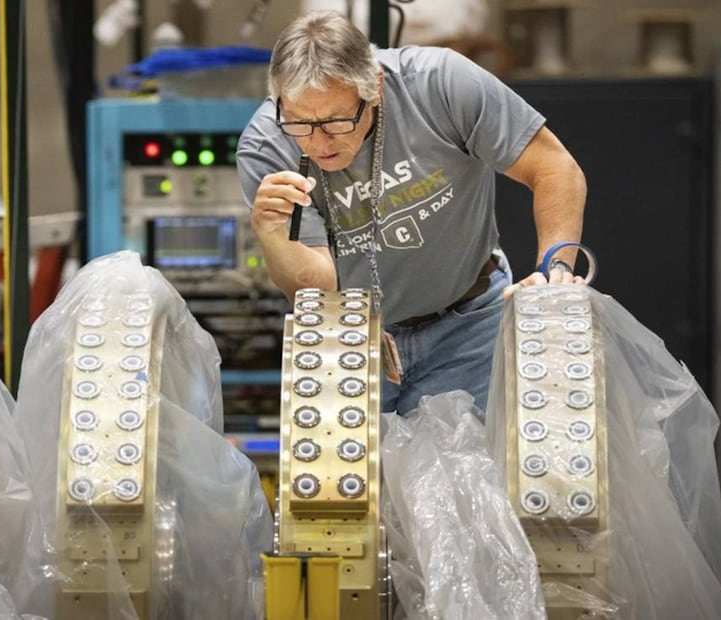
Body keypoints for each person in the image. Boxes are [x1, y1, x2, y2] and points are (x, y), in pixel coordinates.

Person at [236, 11, 587, 416]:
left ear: (375, 90)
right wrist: (271, 231)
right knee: (360, 477)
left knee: (471, 472)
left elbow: (555, 168)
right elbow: (315, 286)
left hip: (468, 322)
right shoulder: (267, 145)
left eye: (336, 120)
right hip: (352, 338)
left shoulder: (440, 85)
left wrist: (555, 269)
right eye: (299, 122)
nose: (318, 142)